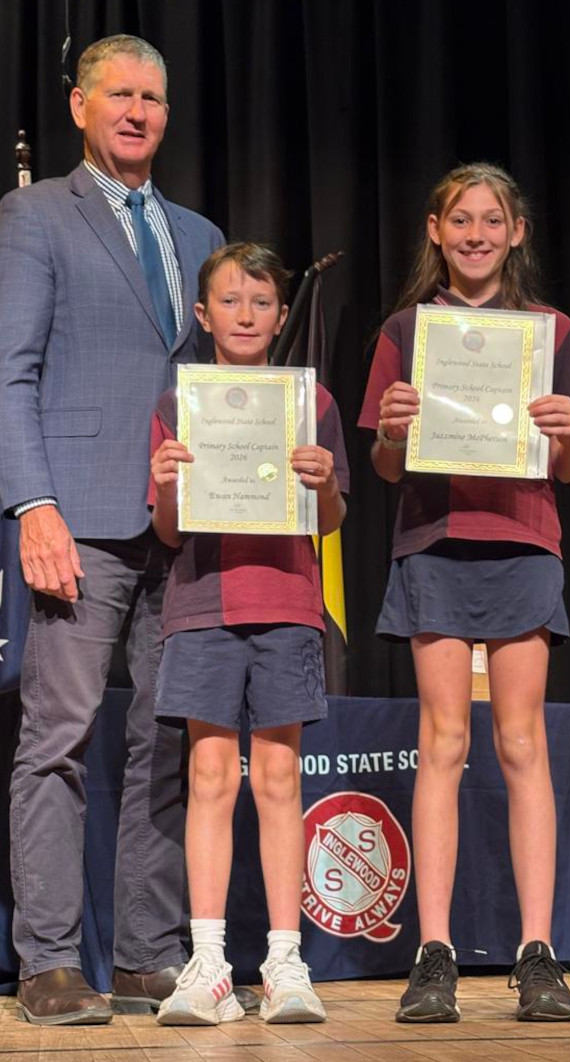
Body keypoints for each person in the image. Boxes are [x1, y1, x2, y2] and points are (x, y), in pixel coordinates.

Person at [0, 35, 224, 1025]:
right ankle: (49, 960)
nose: (137, 111)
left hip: (182, 524)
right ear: (81, 108)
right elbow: (8, 369)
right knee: (59, 737)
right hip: (78, 518)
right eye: (119, 95)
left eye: (152, 98)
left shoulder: (197, 229)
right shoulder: (36, 212)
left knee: (164, 741)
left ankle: (143, 953)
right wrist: (31, 505)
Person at [358, 162, 570, 1023]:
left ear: (517, 231)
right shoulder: (404, 331)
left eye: (492, 220)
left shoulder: (550, 330)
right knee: (445, 742)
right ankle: (436, 953)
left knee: (523, 743)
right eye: (461, 219)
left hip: (525, 544)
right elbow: (386, 466)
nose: (476, 235)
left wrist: (568, 435)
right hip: (433, 544)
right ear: (434, 228)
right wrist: (390, 430)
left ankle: (537, 953)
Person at [150, 242, 348, 1026]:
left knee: (277, 783)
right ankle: (209, 967)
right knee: (208, 779)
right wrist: (167, 487)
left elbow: (331, 520)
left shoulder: (313, 405)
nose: (245, 315)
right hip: (202, 605)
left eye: (261, 302)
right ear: (203, 315)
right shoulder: (178, 403)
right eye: (229, 301)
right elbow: (166, 532)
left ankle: (285, 961)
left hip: (289, 604)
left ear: (280, 315)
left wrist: (327, 483)